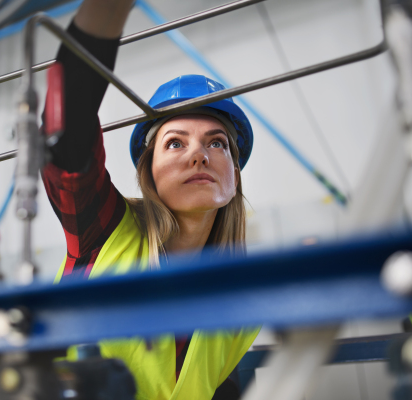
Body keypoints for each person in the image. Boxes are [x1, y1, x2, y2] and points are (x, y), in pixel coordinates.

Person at [41, 1, 259, 399]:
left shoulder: (245, 302)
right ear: (149, 172)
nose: (200, 155)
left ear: (235, 173)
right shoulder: (102, 229)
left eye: (217, 143)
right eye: (175, 143)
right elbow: (66, 142)